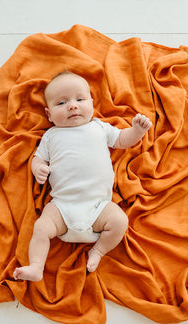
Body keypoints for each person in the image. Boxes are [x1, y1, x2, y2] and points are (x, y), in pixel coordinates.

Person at [13, 71, 152, 281]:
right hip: (62, 206)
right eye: (61, 103)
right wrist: (38, 168)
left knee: (120, 221)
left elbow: (122, 140)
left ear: (92, 103)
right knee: (41, 227)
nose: (72, 105)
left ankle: (97, 251)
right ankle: (36, 267)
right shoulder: (51, 136)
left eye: (80, 99)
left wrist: (137, 131)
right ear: (49, 114)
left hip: (98, 207)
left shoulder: (99, 127)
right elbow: (38, 159)